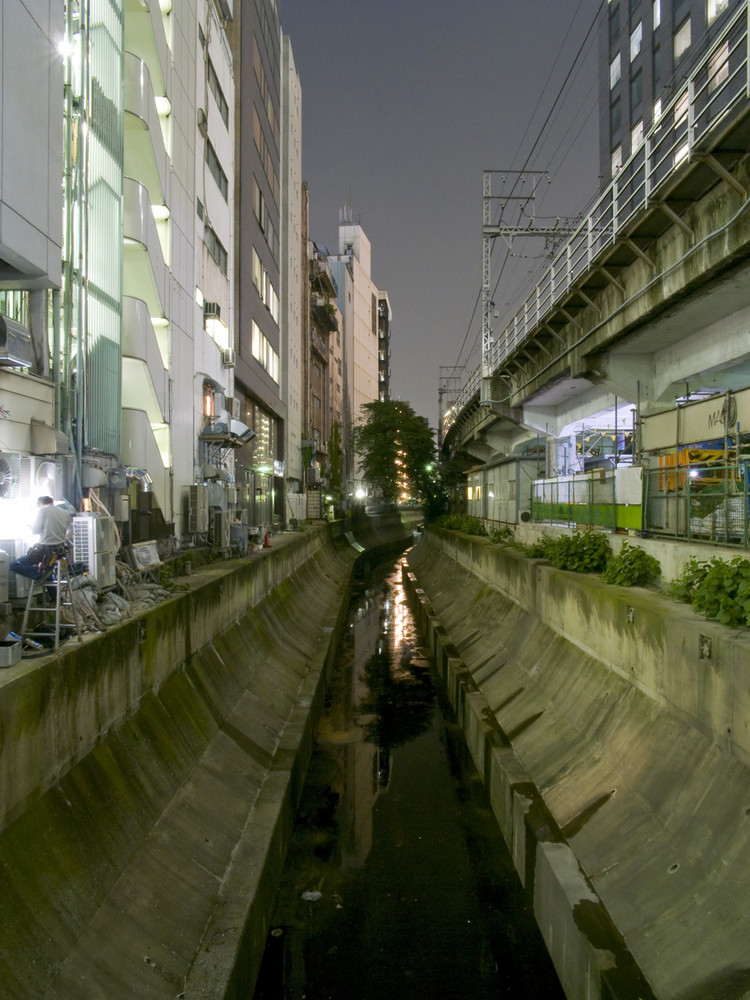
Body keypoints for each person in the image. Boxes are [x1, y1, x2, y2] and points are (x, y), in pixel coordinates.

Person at [10, 496, 73, 581]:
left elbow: (35, 530)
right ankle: (51, 588)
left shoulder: (42, 510)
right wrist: (60, 537)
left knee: (14, 565)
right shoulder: (65, 513)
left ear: (40, 504)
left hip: (44, 550)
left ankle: (39, 573)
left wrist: (30, 526)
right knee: (47, 569)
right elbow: (70, 532)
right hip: (60, 551)